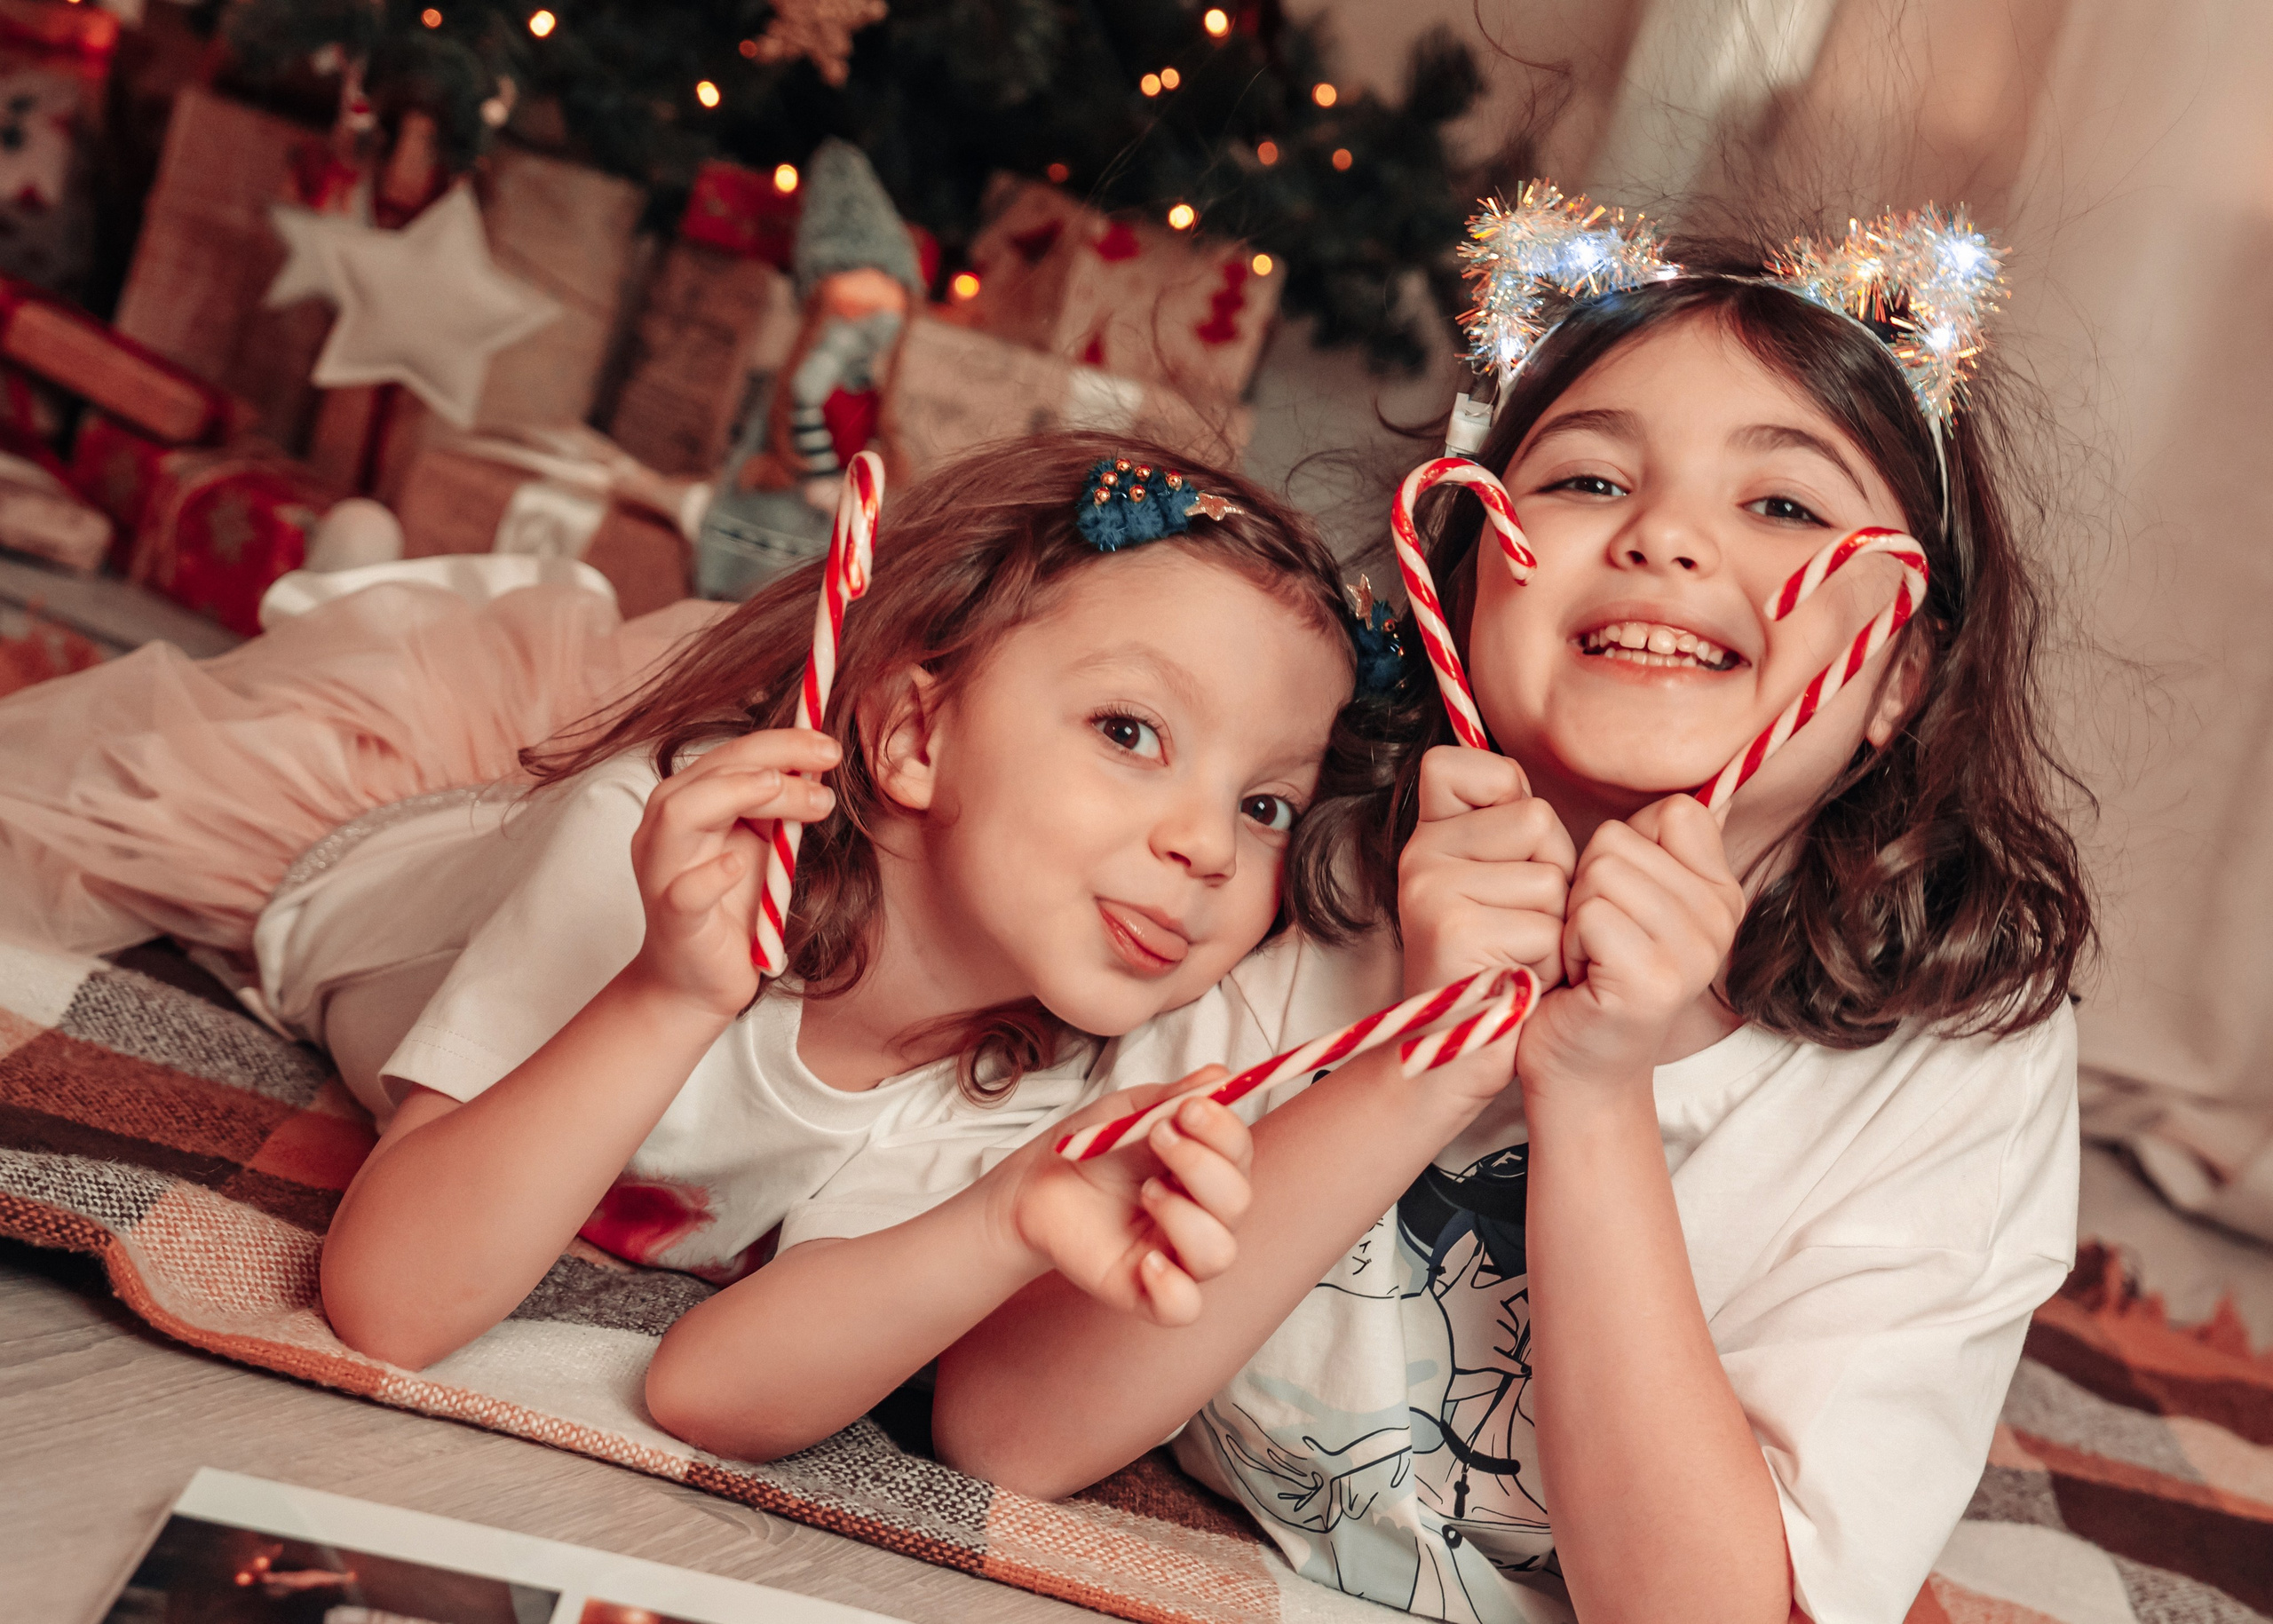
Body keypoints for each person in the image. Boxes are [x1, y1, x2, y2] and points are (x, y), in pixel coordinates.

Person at [925, 213, 2091, 1624]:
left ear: (1899, 673)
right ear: (1463, 577)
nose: (1664, 535)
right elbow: (1004, 1431)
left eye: (1781, 505)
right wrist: (1431, 1057)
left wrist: (1592, 1091)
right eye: (1592, 477)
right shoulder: (1277, 861)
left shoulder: (1957, 1062)